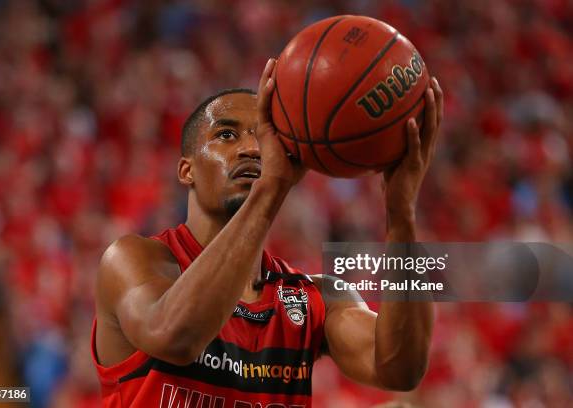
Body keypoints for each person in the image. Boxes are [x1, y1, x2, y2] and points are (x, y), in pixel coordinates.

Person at [91, 58, 443, 407]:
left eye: (262, 137)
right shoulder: (131, 259)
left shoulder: (315, 297)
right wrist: (271, 188)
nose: (251, 148)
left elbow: (401, 368)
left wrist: (401, 216)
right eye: (226, 135)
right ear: (187, 171)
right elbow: (176, 337)